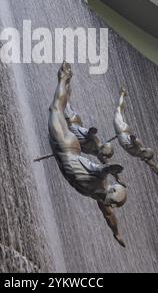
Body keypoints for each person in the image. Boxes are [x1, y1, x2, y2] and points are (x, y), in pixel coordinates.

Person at [49, 63, 127, 248]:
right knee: (56, 109)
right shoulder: (101, 179)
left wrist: (116, 233)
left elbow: (109, 216)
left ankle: (66, 85)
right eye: (114, 201)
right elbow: (102, 169)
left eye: (114, 204)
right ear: (112, 190)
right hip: (65, 145)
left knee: (60, 108)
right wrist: (110, 168)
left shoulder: (101, 197)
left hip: (67, 151)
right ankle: (63, 78)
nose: (112, 205)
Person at [110, 87, 158, 183]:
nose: (144, 160)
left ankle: (123, 94)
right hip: (122, 130)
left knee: (120, 111)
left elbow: (153, 166)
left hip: (122, 132)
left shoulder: (144, 157)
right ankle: (122, 93)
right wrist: (133, 139)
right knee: (118, 110)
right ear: (145, 152)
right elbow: (135, 140)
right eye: (145, 158)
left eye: (145, 159)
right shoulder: (141, 149)